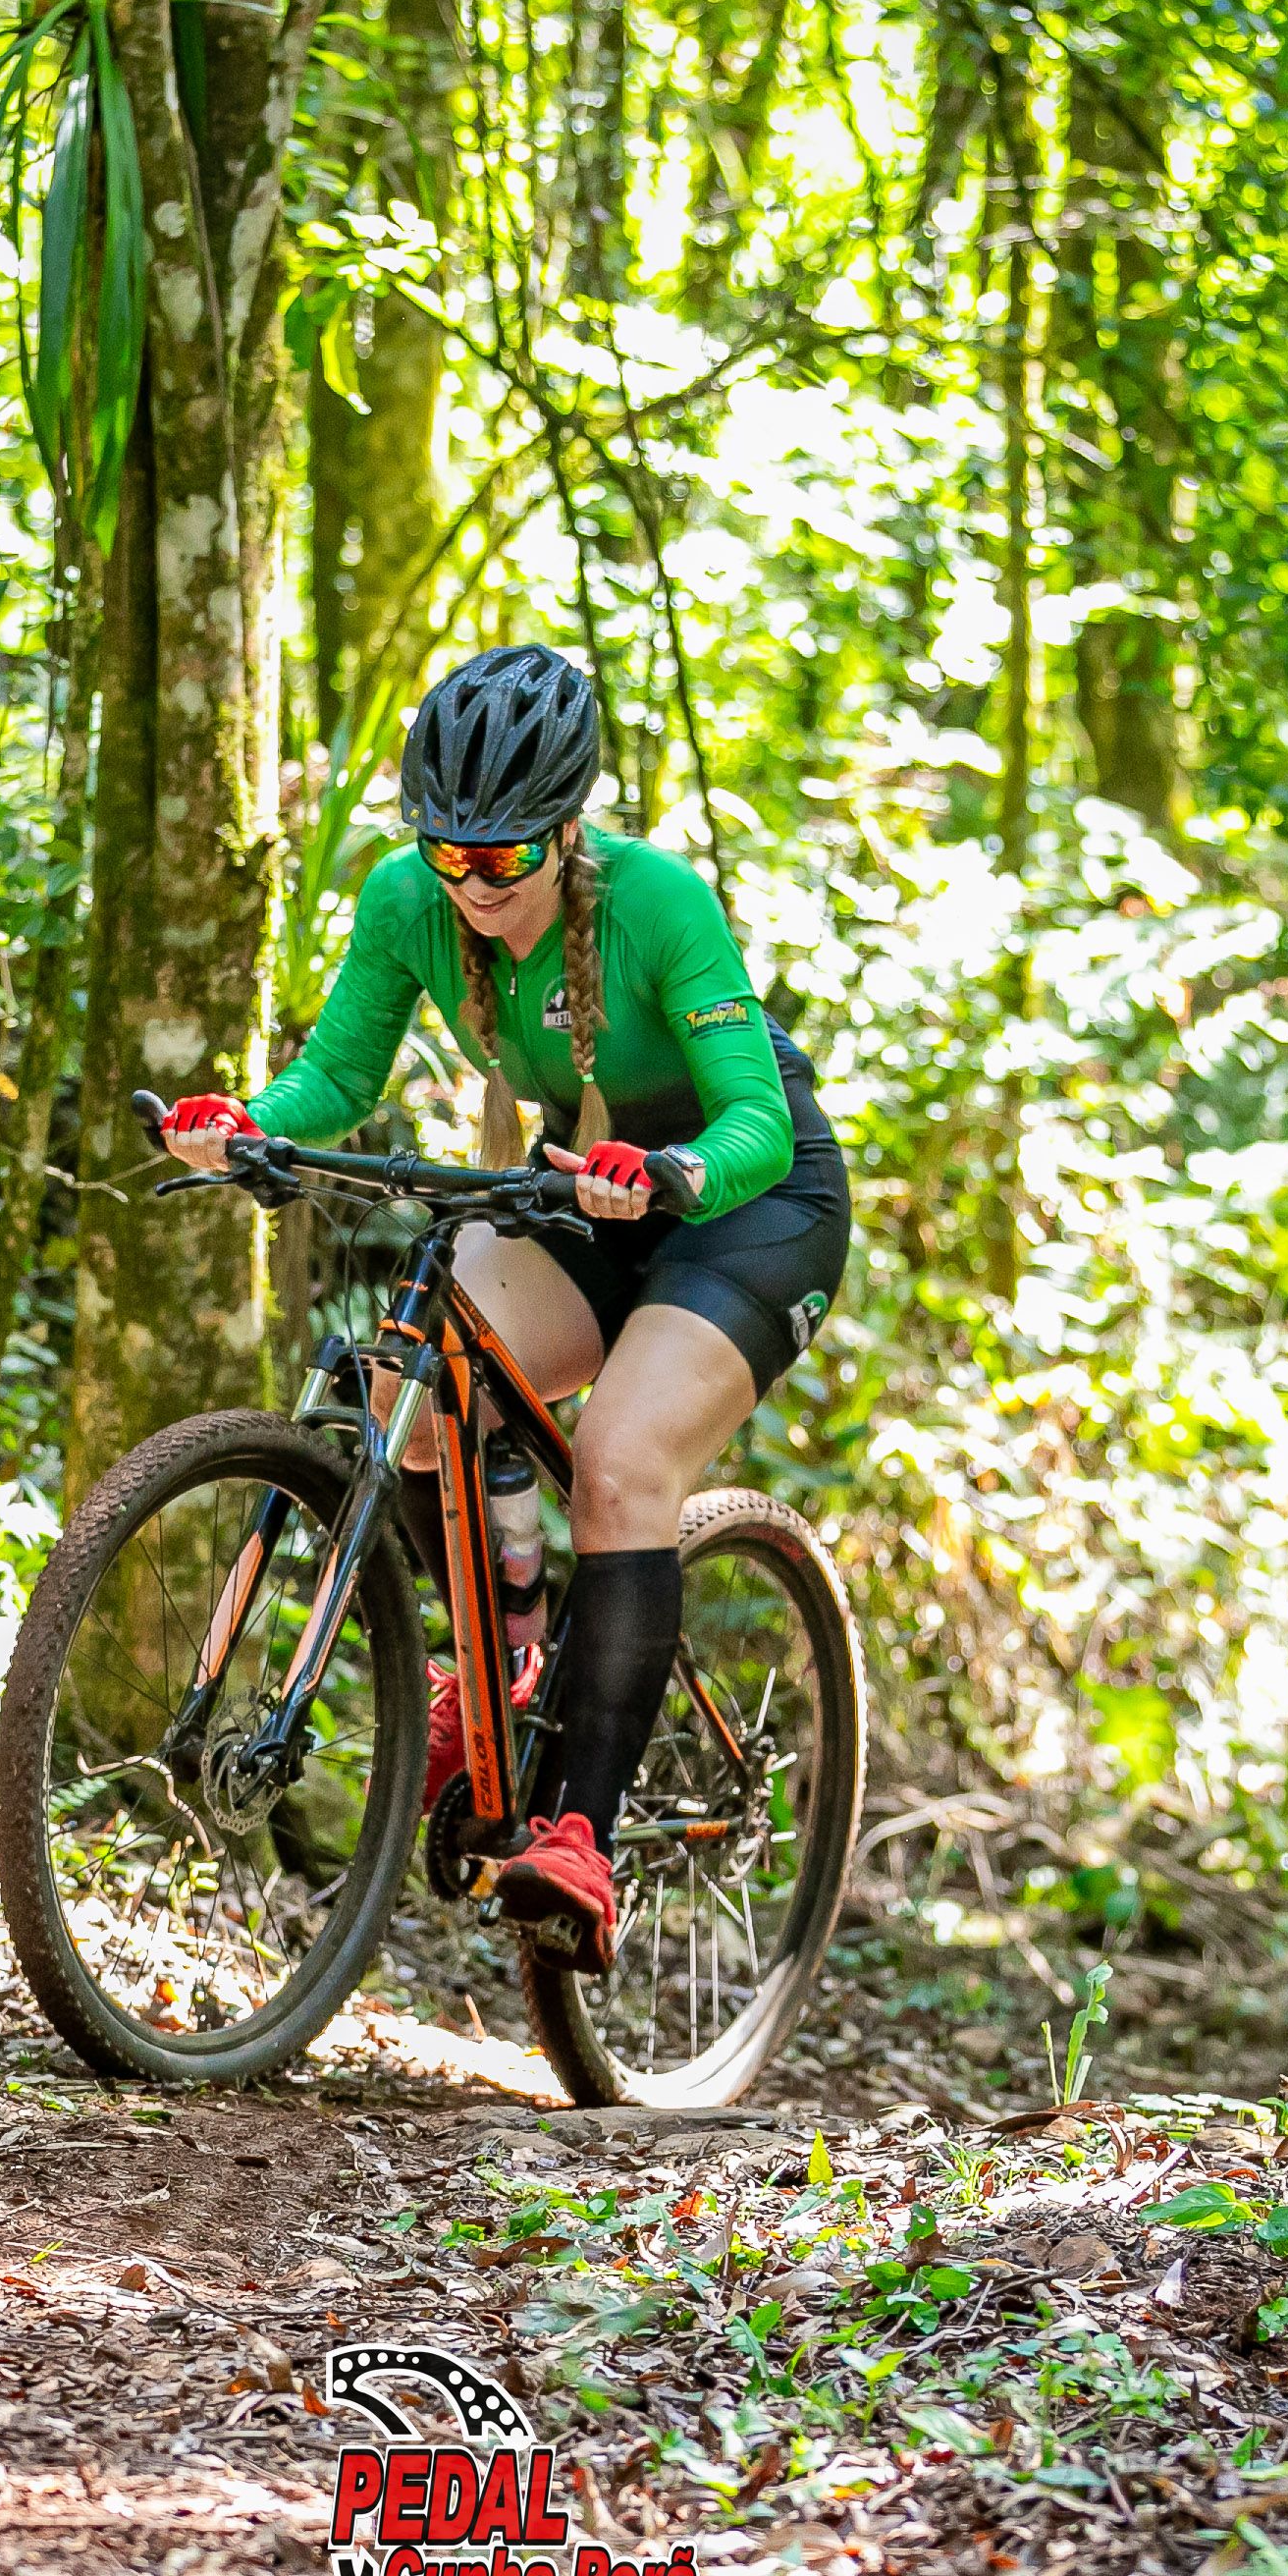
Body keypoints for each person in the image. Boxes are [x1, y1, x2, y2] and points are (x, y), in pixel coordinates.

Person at [157, 645, 851, 1975]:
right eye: (447, 853)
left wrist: (677, 1172)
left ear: (567, 830)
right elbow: (339, 1073)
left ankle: (581, 1837)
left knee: (619, 1467)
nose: (473, 883)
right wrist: (249, 1123)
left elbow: (755, 1116)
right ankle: (504, 1668)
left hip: (746, 1203)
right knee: (409, 1391)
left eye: (506, 856)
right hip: (579, 1183)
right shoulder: (405, 899)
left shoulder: (656, 902)